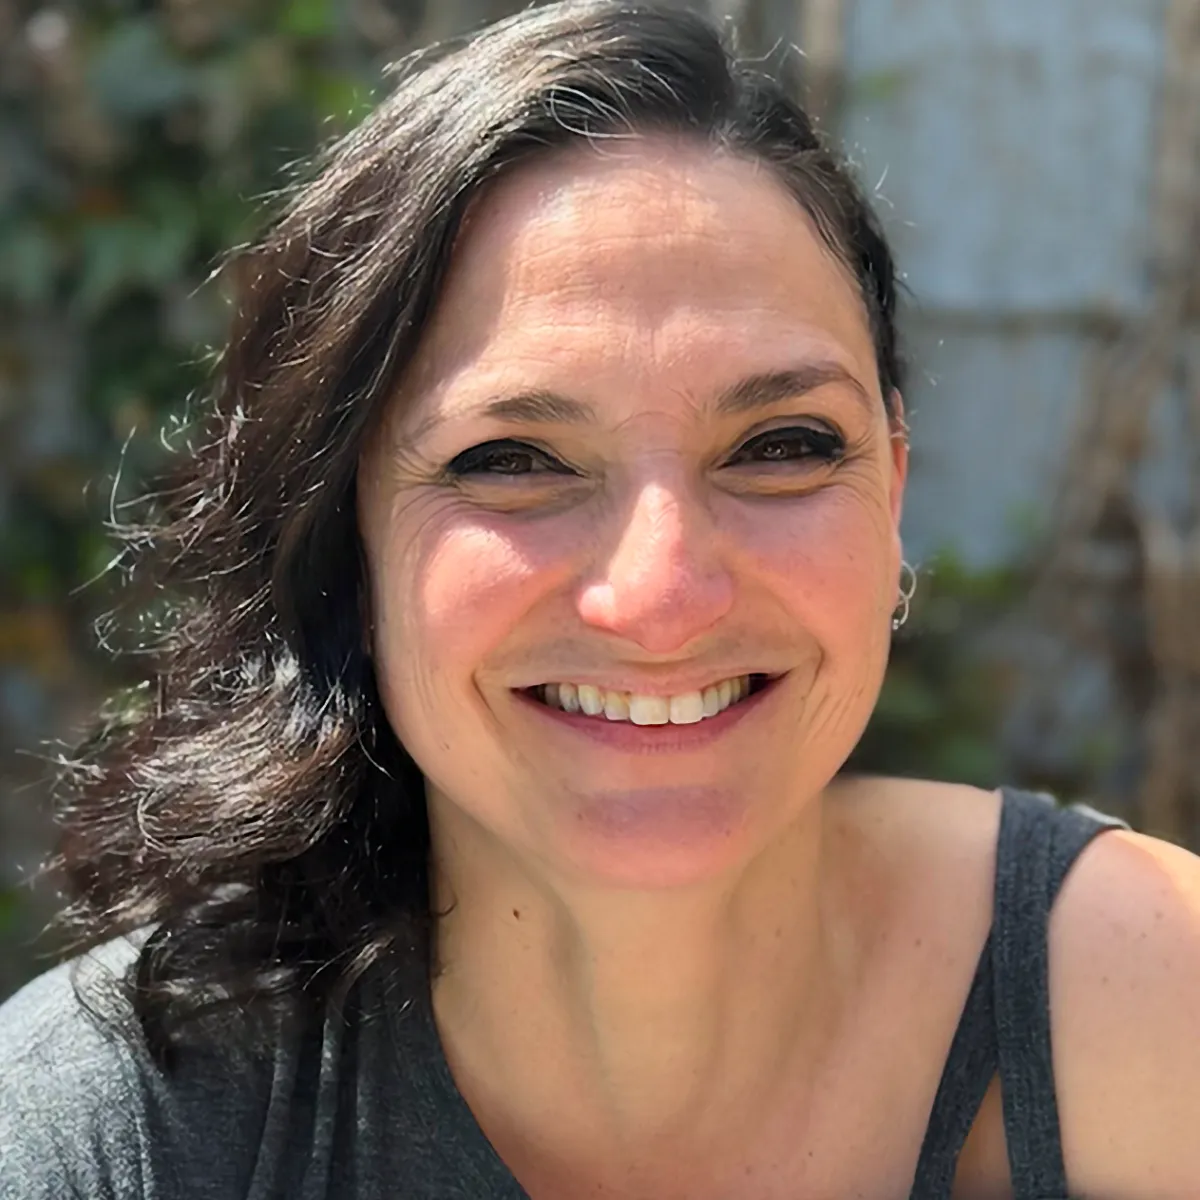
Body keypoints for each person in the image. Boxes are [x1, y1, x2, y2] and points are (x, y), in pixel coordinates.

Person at [2, 2, 1199, 1196]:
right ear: (344, 536)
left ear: (892, 489)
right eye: (512, 460)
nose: (662, 593)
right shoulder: (111, 1133)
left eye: (780, 444)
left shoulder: (1153, 1002)